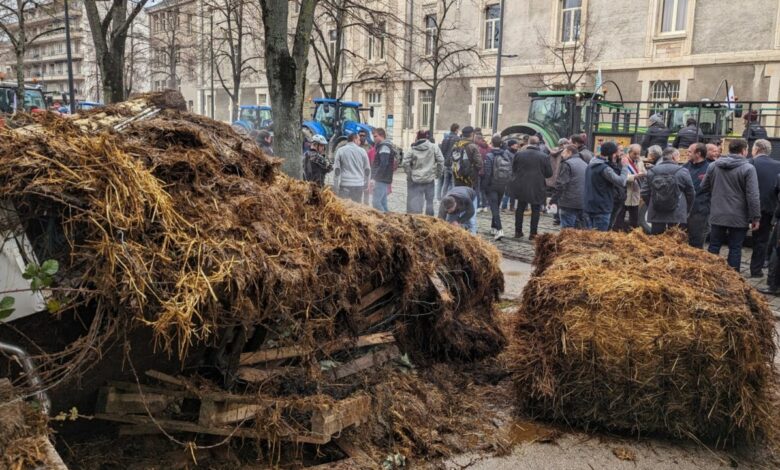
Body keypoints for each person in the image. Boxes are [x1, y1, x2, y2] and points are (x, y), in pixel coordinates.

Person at [700, 138, 760, 271]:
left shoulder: (713, 166)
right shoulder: (748, 168)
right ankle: (733, 279)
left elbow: (703, 186)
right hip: (738, 216)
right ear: (744, 151)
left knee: (714, 246)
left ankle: (709, 274)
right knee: (735, 248)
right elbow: (753, 195)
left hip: (717, 213)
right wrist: (755, 217)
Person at [640, 147, 694, 235]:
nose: (679, 159)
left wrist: (652, 203)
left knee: (657, 241)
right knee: (674, 242)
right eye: (678, 156)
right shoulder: (683, 171)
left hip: (656, 212)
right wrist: (687, 209)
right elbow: (691, 193)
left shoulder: (652, 171)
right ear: (674, 157)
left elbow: (644, 192)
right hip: (677, 212)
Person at [509, 136, 553, 239]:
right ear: (538, 144)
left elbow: (514, 169)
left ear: (528, 143)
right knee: (536, 210)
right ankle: (533, 234)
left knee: (520, 208)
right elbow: (549, 174)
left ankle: (518, 232)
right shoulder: (544, 156)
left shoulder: (519, 154)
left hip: (521, 185)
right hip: (537, 186)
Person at [748, 140, 780, 277]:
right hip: (767, 209)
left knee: (735, 240)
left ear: (757, 149)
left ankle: (732, 268)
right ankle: (756, 270)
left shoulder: (750, 163)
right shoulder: (778, 165)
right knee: (761, 241)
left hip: (746, 207)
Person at [583, 141, 630, 231]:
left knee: (589, 237)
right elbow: (621, 182)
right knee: (600, 238)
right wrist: (625, 167)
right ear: (612, 155)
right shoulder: (605, 168)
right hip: (601, 208)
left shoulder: (591, 164)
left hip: (588, 206)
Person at [403, 130, 444, 216]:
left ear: (417, 137)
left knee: (416, 202)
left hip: (416, 180)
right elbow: (441, 160)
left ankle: (418, 219)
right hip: (429, 180)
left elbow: (405, 162)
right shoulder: (434, 147)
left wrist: (410, 173)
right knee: (429, 203)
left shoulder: (412, 148)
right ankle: (430, 221)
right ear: (427, 137)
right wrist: (438, 173)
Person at [450, 126, 482, 232]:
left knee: (458, 207)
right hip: (470, 182)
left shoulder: (456, 145)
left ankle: (459, 231)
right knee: (471, 210)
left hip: (457, 181)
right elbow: (479, 164)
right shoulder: (473, 146)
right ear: (472, 134)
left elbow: (451, 161)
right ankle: (472, 235)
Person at [483, 135, 513, 241]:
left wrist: (485, 186)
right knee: (496, 206)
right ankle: (493, 228)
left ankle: (500, 230)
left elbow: (487, 173)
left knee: (494, 208)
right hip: (502, 184)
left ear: (491, 143)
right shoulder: (506, 154)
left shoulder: (489, 155)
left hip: (492, 184)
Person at [553, 144, 587, 229]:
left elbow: (561, 184)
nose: (562, 155)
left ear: (569, 152)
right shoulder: (584, 164)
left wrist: (554, 199)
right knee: (578, 231)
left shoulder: (567, 164)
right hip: (581, 201)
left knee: (567, 230)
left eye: (563, 152)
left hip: (568, 202)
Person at [683, 143, 711, 248]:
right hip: (684, 211)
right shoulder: (685, 167)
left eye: (690, 151)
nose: (687, 153)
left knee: (696, 242)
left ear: (698, 154)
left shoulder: (709, 169)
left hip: (700, 212)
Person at [614, 143, 647, 231]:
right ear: (630, 152)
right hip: (625, 193)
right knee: (620, 216)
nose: (637, 156)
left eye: (638, 153)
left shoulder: (640, 162)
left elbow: (644, 172)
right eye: (634, 153)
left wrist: (644, 174)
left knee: (634, 218)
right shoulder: (623, 161)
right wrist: (635, 177)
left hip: (635, 193)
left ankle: (631, 232)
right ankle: (618, 232)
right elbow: (622, 177)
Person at [333, 132, 371, 203]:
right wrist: (366, 184)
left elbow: (337, 171)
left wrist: (335, 188)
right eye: (359, 140)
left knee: (344, 210)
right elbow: (367, 169)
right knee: (355, 210)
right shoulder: (363, 151)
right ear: (354, 139)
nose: (360, 142)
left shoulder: (340, 151)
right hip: (358, 185)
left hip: (345, 185)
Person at [370, 128, 396, 212]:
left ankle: (384, 221)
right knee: (383, 202)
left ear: (381, 136)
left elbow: (383, 164)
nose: (374, 138)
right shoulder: (384, 146)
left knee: (376, 202)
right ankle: (388, 220)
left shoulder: (384, 147)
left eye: (375, 136)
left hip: (381, 179)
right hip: (384, 179)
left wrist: (375, 178)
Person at [547, 138, 568, 225]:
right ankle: (559, 217)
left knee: (554, 198)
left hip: (552, 179)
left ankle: (555, 218)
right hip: (560, 178)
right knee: (560, 198)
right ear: (563, 144)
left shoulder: (551, 153)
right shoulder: (564, 153)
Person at [438, 123, 460, 200]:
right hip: (453, 163)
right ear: (456, 129)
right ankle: (453, 199)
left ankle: (443, 198)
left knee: (445, 182)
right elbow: (457, 152)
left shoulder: (445, 138)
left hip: (446, 163)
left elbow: (442, 151)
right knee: (454, 183)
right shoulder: (457, 139)